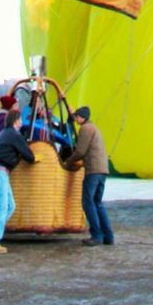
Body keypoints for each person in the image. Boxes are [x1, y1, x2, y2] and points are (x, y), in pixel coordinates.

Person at [0, 108, 37, 253]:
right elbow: (30, 157)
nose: (22, 122)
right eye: (21, 120)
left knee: (10, 206)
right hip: (0, 171)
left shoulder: (3, 133)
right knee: (3, 207)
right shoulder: (14, 135)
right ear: (16, 121)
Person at [60, 106, 114, 247]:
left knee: (87, 202)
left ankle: (96, 235)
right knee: (98, 203)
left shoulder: (85, 129)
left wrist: (68, 161)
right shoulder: (94, 128)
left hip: (93, 171)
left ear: (82, 118)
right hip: (102, 170)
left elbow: (80, 151)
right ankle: (108, 236)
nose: (76, 119)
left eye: (77, 117)